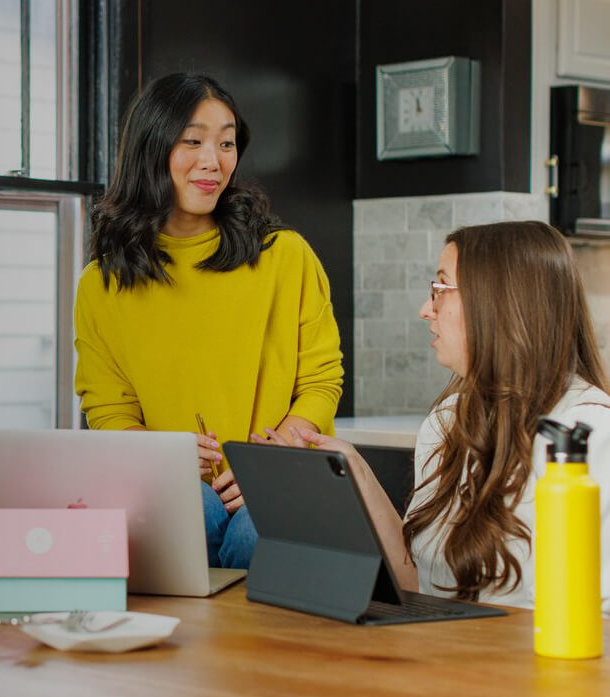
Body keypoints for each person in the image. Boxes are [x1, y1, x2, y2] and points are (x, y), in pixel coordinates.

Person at [73, 72, 344, 569]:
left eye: (226, 143)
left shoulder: (285, 255)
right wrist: (168, 456)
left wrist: (270, 464)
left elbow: (321, 381)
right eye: (192, 141)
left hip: (273, 478)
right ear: (151, 148)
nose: (212, 162)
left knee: (256, 530)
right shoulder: (102, 283)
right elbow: (109, 413)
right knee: (191, 511)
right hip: (165, 485)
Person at [291, 221, 610, 612]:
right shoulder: (447, 421)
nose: (426, 309)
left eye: (441, 289)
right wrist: (356, 473)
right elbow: (422, 587)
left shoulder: (590, 436)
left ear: (500, 302)